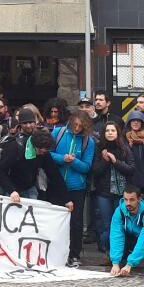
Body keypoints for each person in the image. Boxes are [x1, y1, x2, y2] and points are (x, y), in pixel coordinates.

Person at [52, 111, 95, 267]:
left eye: (80, 126)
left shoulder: (88, 142)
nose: (77, 128)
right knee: (56, 221)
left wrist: (73, 161)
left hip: (77, 187)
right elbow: (48, 154)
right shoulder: (58, 132)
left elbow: (86, 167)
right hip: (56, 184)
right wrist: (62, 158)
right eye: (75, 125)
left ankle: (74, 254)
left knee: (76, 223)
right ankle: (55, 253)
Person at [92, 121, 135, 258]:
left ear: (118, 133)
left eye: (113, 130)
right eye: (107, 131)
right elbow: (94, 171)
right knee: (106, 225)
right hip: (103, 193)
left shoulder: (125, 148)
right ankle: (109, 252)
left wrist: (115, 161)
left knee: (121, 224)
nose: (110, 133)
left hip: (122, 193)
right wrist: (105, 161)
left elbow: (131, 169)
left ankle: (121, 252)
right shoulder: (98, 148)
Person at [109, 186, 144, 277]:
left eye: (132, 200)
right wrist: (115, 263)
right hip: (130, 237)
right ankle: (122, 260)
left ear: (139, 199)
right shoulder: (119, 211)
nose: (128, 203)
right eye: (125, 199)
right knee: (106, 237)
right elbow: (116, 235)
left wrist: (130, 264)